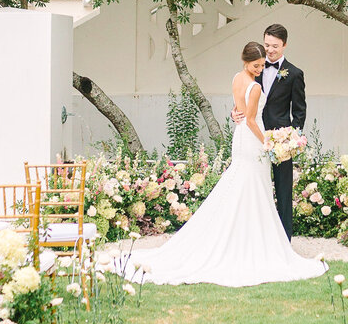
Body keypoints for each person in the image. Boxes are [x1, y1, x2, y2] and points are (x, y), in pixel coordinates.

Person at [117, 41, 324, 286]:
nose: (260, 69)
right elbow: (250, 119)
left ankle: (245, 239)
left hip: (241, 139)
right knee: (252, 189)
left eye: (261, 65)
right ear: (246, 61)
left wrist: (248, 121)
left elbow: (240, 111)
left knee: (246, 189)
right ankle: (249, 244)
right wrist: (267, 141)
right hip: (253, 139)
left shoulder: (237, 77)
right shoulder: (255, 87)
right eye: (256, 65)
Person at [232, 23, 305, 240]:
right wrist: (235, 114)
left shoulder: (295, 74)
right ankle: (256, 237)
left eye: (274, 46)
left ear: (284, 45)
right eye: (267, 45)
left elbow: (299, 112)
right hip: (255, 138)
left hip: (280, 141)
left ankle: (284, 240)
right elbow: (244, 102)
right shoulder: (254, 69)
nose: (270, 50)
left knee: (283, 191)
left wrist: (292, 139)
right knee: (256, 188)